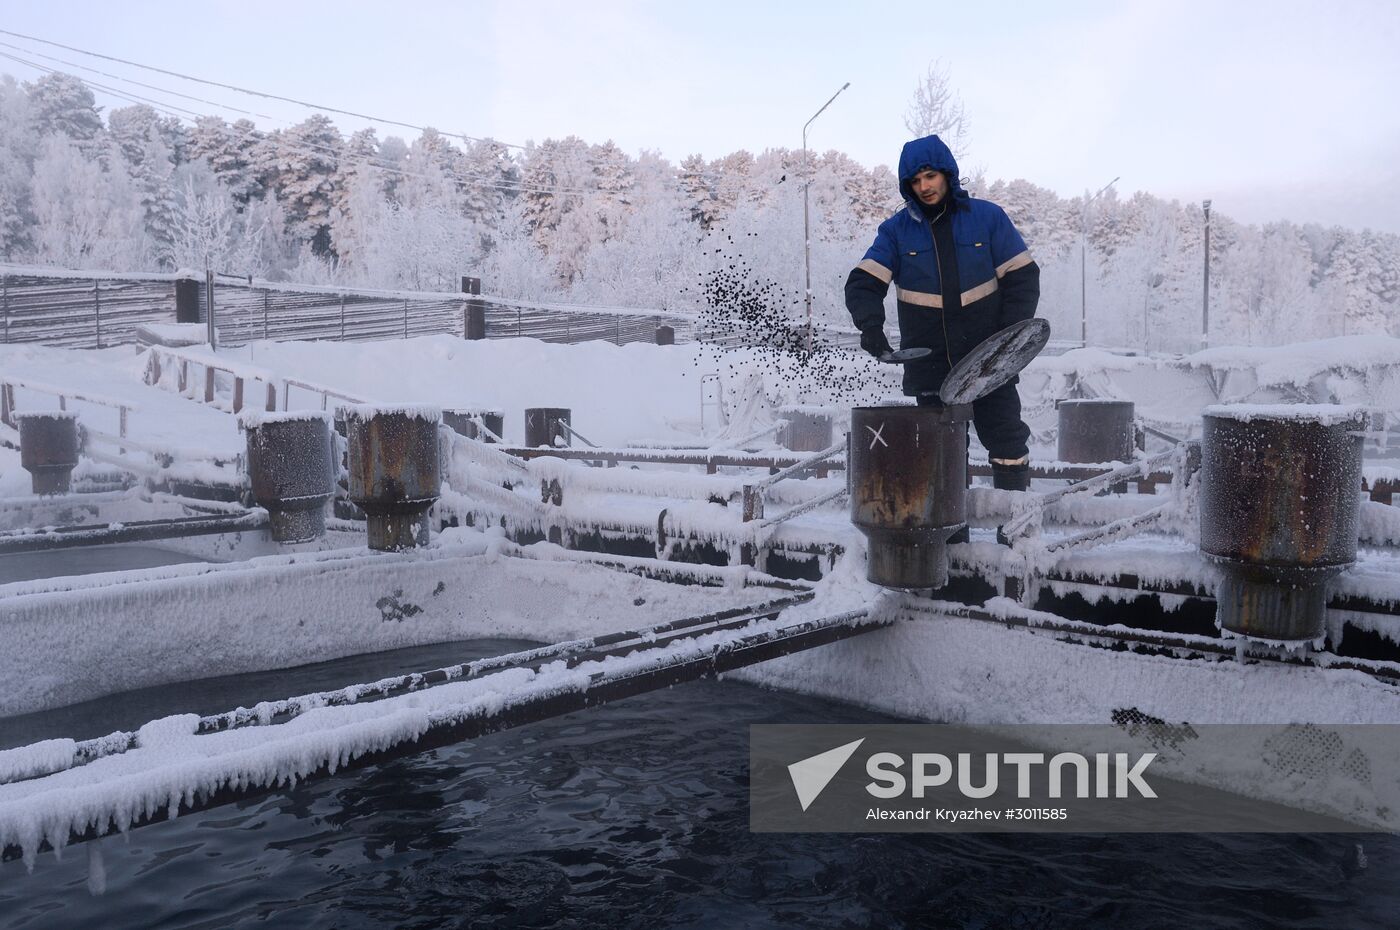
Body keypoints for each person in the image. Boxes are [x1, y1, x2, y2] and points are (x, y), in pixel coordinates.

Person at [844, 133, 1040, 533]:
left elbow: (1023, 277)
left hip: (989, 363)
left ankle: (1015, 535)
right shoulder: (896, 232)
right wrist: (871, 326)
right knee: (945, 455)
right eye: (915, 182)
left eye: (930, 176)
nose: (925, 187)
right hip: (930, 367)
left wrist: (1008, 340)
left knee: (1007, 442)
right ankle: (952, 543)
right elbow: (863, 283)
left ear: (947, 174)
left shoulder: (988, 218)